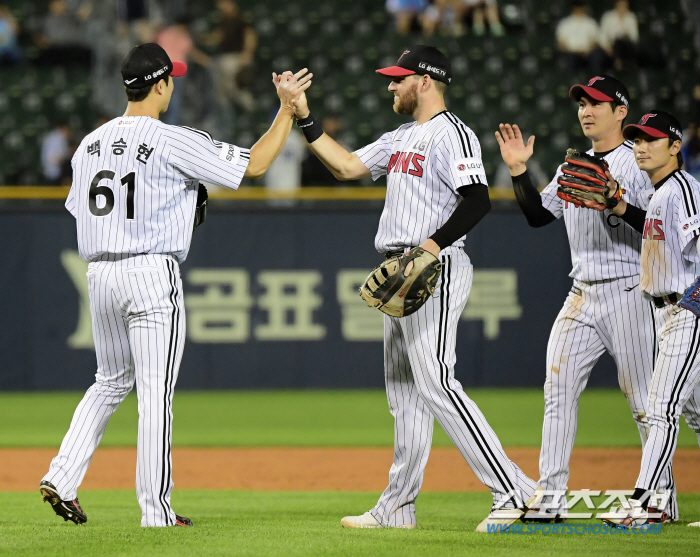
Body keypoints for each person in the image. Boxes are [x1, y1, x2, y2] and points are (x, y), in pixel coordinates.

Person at [39, 42, 311, 527]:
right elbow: (255, 165)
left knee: (109, 381)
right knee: (154, 394)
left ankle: (62, 476)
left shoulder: (89, 144)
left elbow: (81, 211)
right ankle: (155, 512)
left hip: (99, 275)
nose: (173, 86)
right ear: (161, 84)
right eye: (172, 79)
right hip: (149, 272)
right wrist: (287, 110)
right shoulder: (172, 139)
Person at [294, 45, 540, 532]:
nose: (390, 86)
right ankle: (397, 506)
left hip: (435, 266)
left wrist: (428, 248)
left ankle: (516, 491)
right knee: (404, 393)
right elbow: (344, 167)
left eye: (398, 79)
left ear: (424, 81)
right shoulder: (403, 135)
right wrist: (304, 117)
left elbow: (478, 201)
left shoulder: (453, 134)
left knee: (436, 383)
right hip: (402, 268)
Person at [496, 75, 692, 522]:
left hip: (629, 291)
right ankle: (550, 500)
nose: (586, 110)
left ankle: (660, 503)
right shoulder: (573, 166)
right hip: (580, 292)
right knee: (557, 393)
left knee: (645, 402)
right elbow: (537, 216)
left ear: (621, 112)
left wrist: (618, 205)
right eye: (582, 103)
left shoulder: (640, 164)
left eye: (597, 104)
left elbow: (659, 229)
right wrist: (519, 171)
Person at [601, 111, 700, 527]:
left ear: (675, 146)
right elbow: (654, 230)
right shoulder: (661, 192)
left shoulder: (685, 189)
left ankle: (642, 505)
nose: (640, 146)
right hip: (665, 311)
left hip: (687, 309)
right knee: (695, 414)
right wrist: (619, 205)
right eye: (637, 140)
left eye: (651, 140)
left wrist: (690, 310)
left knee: (660, 408)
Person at [207, 0, 257, 112]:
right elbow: (218, 37)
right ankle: (227, 116)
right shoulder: (223, 21)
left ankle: (251, 111)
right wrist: (204, 39)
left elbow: (250, 36)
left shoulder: (240, 20)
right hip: (224, 58)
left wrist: (247, 54)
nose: (222, 7)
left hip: (236, 57)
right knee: (222, 91)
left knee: (237, 89)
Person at [555, 1, 606, 73]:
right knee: (570, 59)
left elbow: (595, 41)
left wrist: (588, 51)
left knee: (597, 56)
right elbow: (561, 43)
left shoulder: (591, 23)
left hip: (588, 53)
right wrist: (573, 51)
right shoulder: (565, 23)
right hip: (571, 52)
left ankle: (594, 80)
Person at [599, 0, 638, 71]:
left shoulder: (631, 17)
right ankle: (617, 62)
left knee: (623, 43)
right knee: (617, 43)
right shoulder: (608, 17)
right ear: (616, 3)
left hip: (627, 45)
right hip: (611, 45)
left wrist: (626, 35)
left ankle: (622, 64)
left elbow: (634, 36)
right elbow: (602, 35)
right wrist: (607, 47)